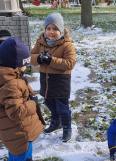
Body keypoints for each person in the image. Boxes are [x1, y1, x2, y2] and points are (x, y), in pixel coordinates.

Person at [30, 12, 76, 142]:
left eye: (55, 29)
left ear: (61, 30)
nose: (51, 32)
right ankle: (56, 123)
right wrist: (39, 58)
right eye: (48, 28)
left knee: (62, 107)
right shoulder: (40, 43)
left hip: (61, 81)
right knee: (49, 103)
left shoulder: (67, 45)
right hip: (46, 79)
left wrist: (51, 60)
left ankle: (67, 127)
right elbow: (31, 58)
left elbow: (70, 64)